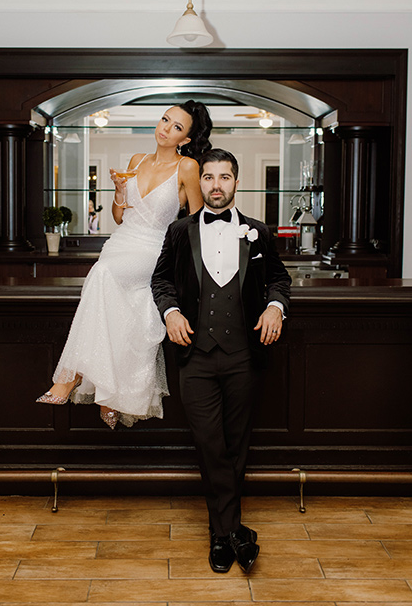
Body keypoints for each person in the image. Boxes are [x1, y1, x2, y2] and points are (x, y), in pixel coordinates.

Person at [151, 148, 291, 575]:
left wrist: (275, 307)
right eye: (208, 177)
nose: (215, 185)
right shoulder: (179, 231)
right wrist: (171, 312)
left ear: (235, 181)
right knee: (210, 442)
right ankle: (234, 534)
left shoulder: (258, 232)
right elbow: (160, 280)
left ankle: (221, 534)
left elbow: (279, 279)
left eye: (223, 177)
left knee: (236, 444)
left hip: (244, 355)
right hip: (194, 355)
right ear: (201, 182)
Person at [36, 101, 213, 429]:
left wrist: (179, 264)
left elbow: (196, 222)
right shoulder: (136, 160)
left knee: (100, 275)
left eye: (176, 127)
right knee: (106, 289)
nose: (165, 128)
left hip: (153, 248)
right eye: (164, 119)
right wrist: (119, 192)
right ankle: (109, 393)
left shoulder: (187, 167)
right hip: (120, 243)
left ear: (185, 139)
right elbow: (119, 217)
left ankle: (72, 376)